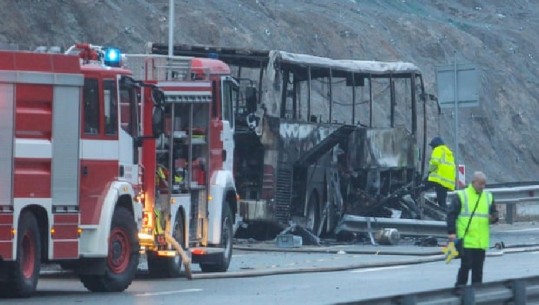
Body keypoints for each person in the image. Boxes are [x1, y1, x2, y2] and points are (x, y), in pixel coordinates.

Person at [447, 171, 499, 289]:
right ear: (473, 182)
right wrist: (451, 232)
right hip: (466, 240)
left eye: (484, 184)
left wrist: (494, 218)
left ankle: (476, 294)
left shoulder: (488, 197)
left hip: (481, 241)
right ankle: (460, 290)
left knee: (478, 270)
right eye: (480, 184)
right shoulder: (462, 196)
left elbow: (494, 214)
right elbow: (451, 215)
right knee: (466, 266)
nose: (482, 187)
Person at [425, 136, 456, 208]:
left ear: (435, 145)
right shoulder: (448, 152)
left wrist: (429, 172)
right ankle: (445, 213)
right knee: (442, 200)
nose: (432, 148)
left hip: (439, 178)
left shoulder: (438, 150)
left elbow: (434, 163)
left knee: (422, 186)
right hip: (447, 180)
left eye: (432, 146)